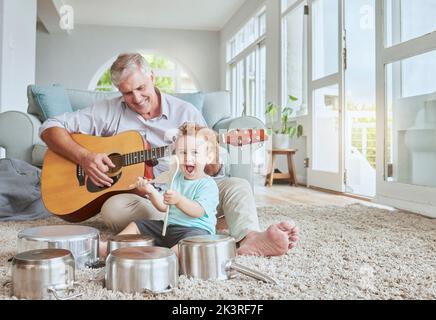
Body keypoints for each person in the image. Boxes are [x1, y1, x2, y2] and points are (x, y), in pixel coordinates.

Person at [40, 52, 298, 257]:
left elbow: (214, 172)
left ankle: (251, 238)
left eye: (141, 87)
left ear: (152, 76)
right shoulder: (108, 110)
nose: (137, 98)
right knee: (113, 209)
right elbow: (49, 127)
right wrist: (84, 157)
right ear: (119, 92)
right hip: (147, 199)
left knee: (238, 186)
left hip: (189, 190)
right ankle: (198, 227)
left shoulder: (185, 112)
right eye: (127, 93)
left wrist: (210, 156)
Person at [99, 122, 219, 258]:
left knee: (190, 244)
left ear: (208, 157)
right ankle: (111, 247)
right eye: (182, 152)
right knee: (138, 225)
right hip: (169, 228)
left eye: (195, 152)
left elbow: (198, 211)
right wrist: (150, 191)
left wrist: (179, 200)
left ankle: (164, 259)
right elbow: (163, 207)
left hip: (196, 231)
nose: (188, 158)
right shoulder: (176, 177)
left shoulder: (207, 185)